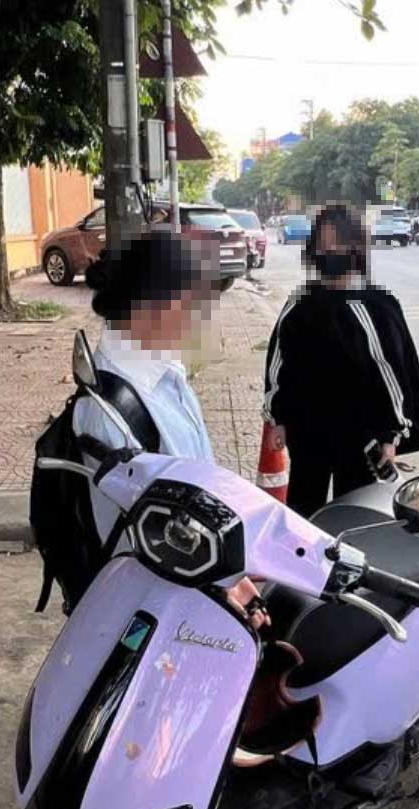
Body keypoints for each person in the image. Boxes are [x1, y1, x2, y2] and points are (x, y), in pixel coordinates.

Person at [78, 230, 267, 627]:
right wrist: (224, 587)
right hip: (155, 610)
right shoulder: (112, 412)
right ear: (154, 305)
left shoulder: (165, 373)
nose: (206, 316)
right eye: (197, 302)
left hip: (194, 586)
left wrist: (235, 577)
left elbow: (198, 489)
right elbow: (158, 543)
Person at [262, 203, 419, 517]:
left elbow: (393, 375)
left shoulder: (375, 306)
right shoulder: (300, 303)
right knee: (303, 511)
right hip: (307, 432)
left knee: (354, 514)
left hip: (361, 437)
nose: (331, 251)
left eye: (339, 243)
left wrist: (390, 436)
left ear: (357, 248)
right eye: (323, 244)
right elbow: (278, 363)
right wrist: (277, 418)